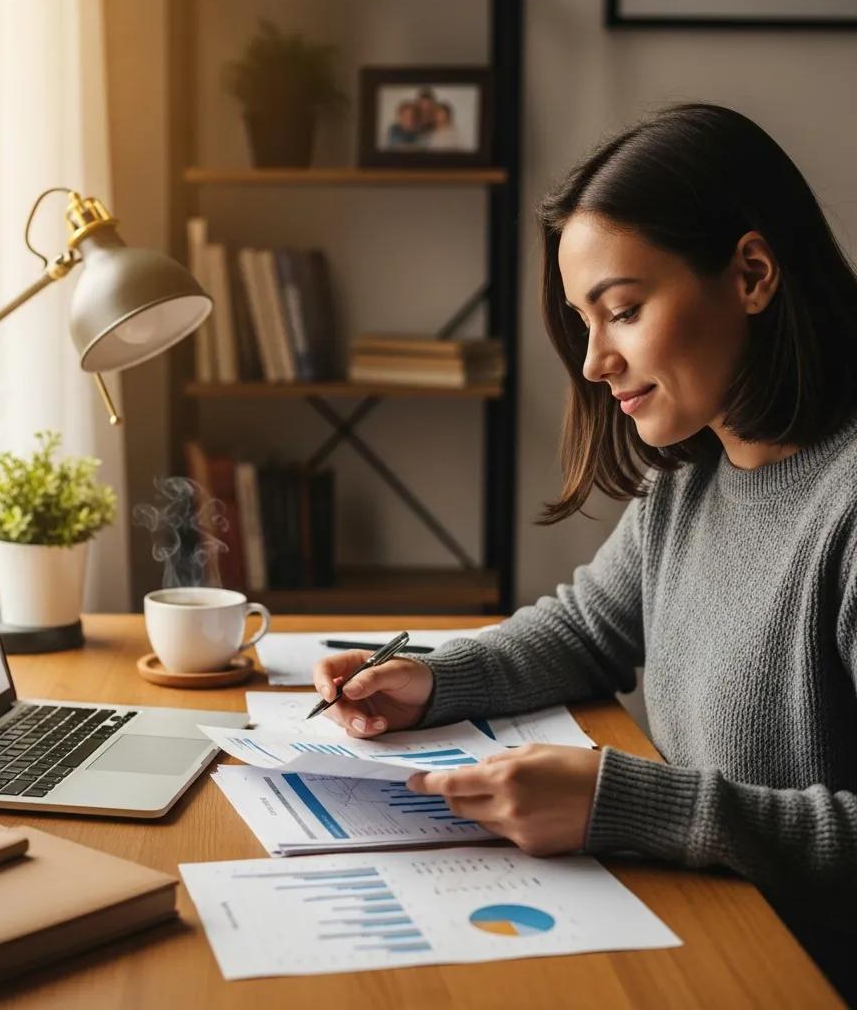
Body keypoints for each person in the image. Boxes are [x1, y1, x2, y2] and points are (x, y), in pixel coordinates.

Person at [313, 103, 857, 1002]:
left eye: (625, 311)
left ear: (752, 274)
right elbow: (584, 631)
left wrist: (626, 803)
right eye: (584, 322)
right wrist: (434, 680)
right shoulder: (695, 476)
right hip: (707, 931)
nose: (596, 362)